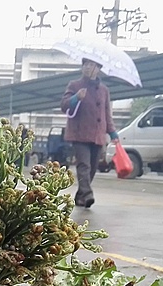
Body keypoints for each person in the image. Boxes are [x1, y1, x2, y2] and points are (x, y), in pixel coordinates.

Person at [61, 58, 119, 208]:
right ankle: (87, 194)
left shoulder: (104, 90)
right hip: (80, 134)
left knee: (92, 168)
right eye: (85, 65)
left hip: (97, 135)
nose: (87, 68)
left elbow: (107, 113)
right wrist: (75, 98)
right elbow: (64, 105)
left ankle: (80, 197)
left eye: (91, 65)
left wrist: (112, 133)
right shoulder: (75, 85)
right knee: (84, 166)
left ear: (98, 68)